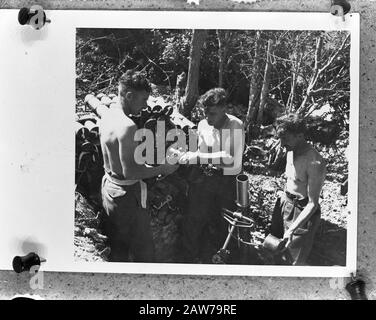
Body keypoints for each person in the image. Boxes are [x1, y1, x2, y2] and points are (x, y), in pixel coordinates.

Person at [97, 70, 178, 262]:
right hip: (126, 198)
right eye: (143, 99)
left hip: (109, 189)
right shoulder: (127, 126)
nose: (145, 105)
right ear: (129, 96)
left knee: (119, 246)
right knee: (144, 251)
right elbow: (131, 171)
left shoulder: (105, 116)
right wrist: (164, 168)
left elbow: (119, 161)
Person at [178, 88, 245, 263]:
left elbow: (231, 159)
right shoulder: (202, 125)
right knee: (194, 220)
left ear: (225, 109)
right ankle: (191, 259)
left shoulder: (235, 125)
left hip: (226, 181)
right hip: (204, 178)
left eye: (213, 114)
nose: (208, 118)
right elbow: (199, 151)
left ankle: (224, 260)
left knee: (224, 223)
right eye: (205, 113)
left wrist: (199, 157)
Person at [270, 113, 326, 265]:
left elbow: (313, 204)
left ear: (300, 135)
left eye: (286, 139)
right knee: (273, 250)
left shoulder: (315, 162)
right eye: (280, 139)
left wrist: (292, 229)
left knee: (292, 261)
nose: (282, 144)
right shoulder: (290, 149)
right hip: (285, 204)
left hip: (302, 212)